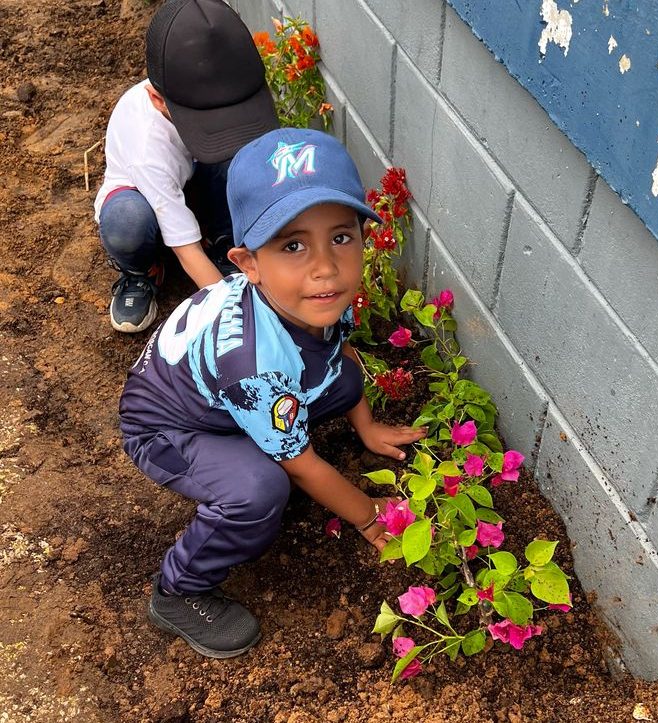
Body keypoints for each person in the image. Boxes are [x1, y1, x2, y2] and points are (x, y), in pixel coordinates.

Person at [119, 127, 427, 659]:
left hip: (228, 399)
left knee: (344, 377)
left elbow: (339, 353)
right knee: (259, 490)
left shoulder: (315, 297)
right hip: (167, 429)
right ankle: (178, 590)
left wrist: (367, 426)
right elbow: (302, 467)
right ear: (249, 264)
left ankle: (258, 437)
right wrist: (369, 517)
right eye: (293, 245)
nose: (325, 266)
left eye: (341, 237)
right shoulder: (254, 366)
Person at [94, 0, 278, 333]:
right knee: (127, 221)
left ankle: (225, 243)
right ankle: (141, 271)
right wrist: (237, 317)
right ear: (158, 100)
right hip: (146, 198)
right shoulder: (146, 146)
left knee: (235, 156)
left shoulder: (206, 83)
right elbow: (186, 249)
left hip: (194, 180)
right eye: (203, 118)